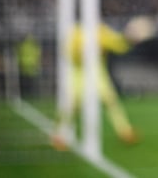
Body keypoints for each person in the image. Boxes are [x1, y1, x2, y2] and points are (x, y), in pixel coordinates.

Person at [51, 18, 152, 150]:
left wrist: (129, 39)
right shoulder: (75, 32)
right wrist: (83, 52)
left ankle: (124, 131)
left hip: (97, 72)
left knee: (110, 101)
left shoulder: (100, 31)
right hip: (78, 73)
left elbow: (117, 44)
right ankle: (59, 134)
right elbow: (68, 53)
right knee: (73, 105)